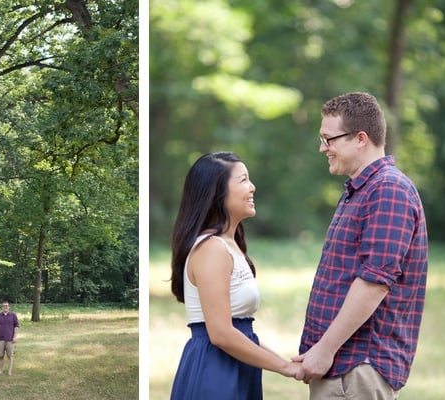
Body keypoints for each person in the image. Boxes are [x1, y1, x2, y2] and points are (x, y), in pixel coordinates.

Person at [292, 92, 428, 399]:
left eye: (329, 139)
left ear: (360, 138)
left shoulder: (388, 190)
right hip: (343, 368)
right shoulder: (362, 190)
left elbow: (374, 283)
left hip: (357, 369)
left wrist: (324, 350)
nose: (322, 148)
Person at [169, 151, 302, 400]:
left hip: (237, 366)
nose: (252, 187)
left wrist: (287, 364)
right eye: (243, 180)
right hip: (215, 370)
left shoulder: (229, 245)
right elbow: (221, 334)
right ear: (217, 192)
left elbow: (240, 334)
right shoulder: (211, 249)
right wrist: (285, 368)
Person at [0, 301, 20, 375]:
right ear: (2, 307)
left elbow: (16, 326)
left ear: (9, 307)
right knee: (1, 356)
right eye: (4, 306)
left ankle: (9, 371)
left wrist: (15, 337)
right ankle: (0, 371)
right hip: (0, 339)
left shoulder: (13, 315)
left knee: (10, 356)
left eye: (7, 306)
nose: (5, 307)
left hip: (10, 339)